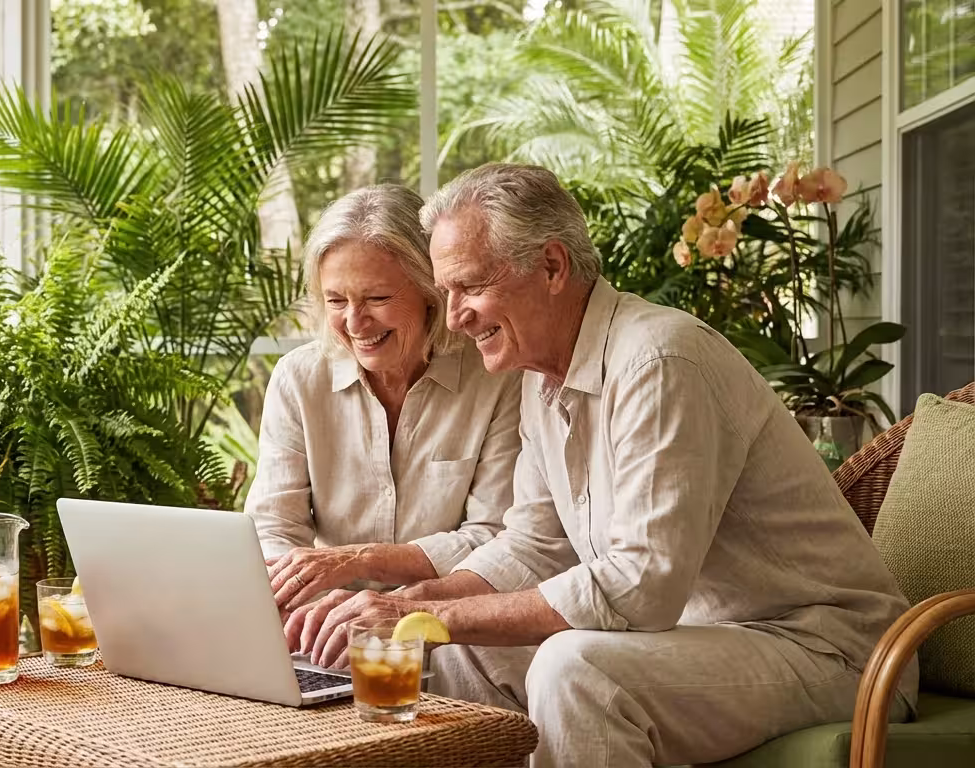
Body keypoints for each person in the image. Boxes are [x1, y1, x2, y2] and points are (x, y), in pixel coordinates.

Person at [286, 164, 916, 767]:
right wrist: (412, 603)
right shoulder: (541, 376)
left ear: (552, 266)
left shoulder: (659, 361)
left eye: (471, 286)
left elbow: (642, 584)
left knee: (577, 670)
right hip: (702, 635)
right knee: (458, 656)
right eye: (446, 292)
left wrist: (427, 617)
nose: (453, 318)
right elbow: (533, 545)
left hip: (829, 649)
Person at [246, 183, 523, 612]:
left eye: (377, 298)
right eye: (336, 300)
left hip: (449, 622)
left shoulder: (495, 378)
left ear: (431, 293)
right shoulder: (298, 379)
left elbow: (496, 536)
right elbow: (273, 528)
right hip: (321, 621)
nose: (355, 322)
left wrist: (365, 570)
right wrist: (322, 609)